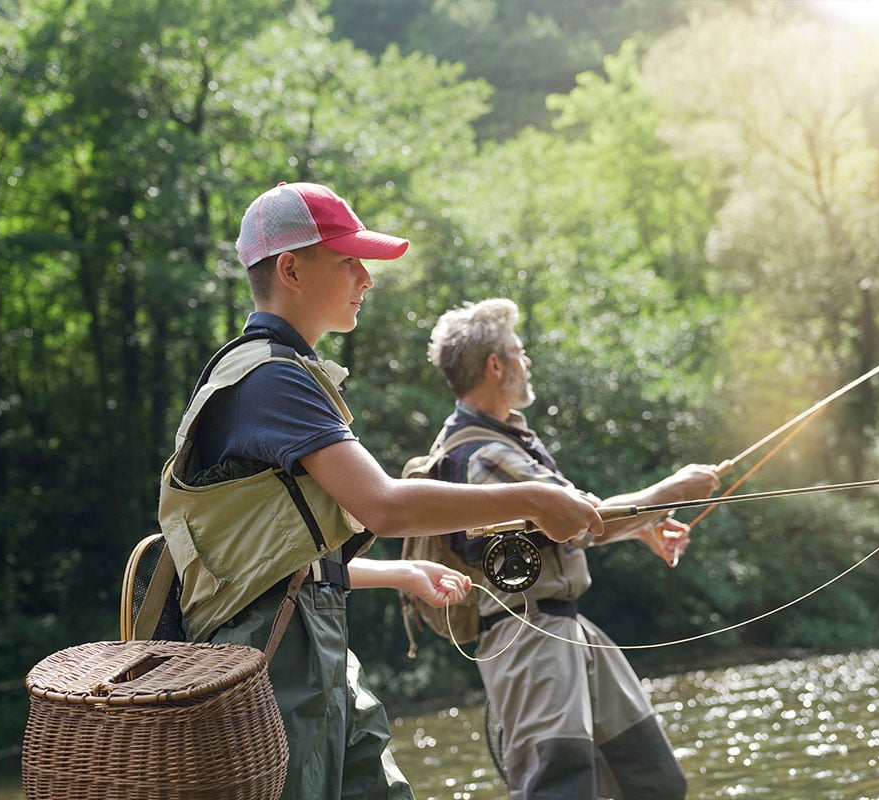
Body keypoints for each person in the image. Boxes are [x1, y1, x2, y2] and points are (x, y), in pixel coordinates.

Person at [156, 183, 604, 800]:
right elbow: (385, 505)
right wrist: (534, 500)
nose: (366, 279)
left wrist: (404, 573)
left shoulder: (280, 373)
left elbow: (283, 565)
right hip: (271, 657)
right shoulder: (269, 380)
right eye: (349, 262)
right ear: (291, 268)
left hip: (307, 641)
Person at [425, 298, 721, 800]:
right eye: (520, 351)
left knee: (651, 780)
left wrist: (641, 526)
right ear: (495, 366)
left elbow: (573, 527)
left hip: (569, 629)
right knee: (559, 788)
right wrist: (671, 490)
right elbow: (588, 521)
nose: (529, 361)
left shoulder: (507, 441)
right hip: (530, 638)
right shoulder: (484, 454)